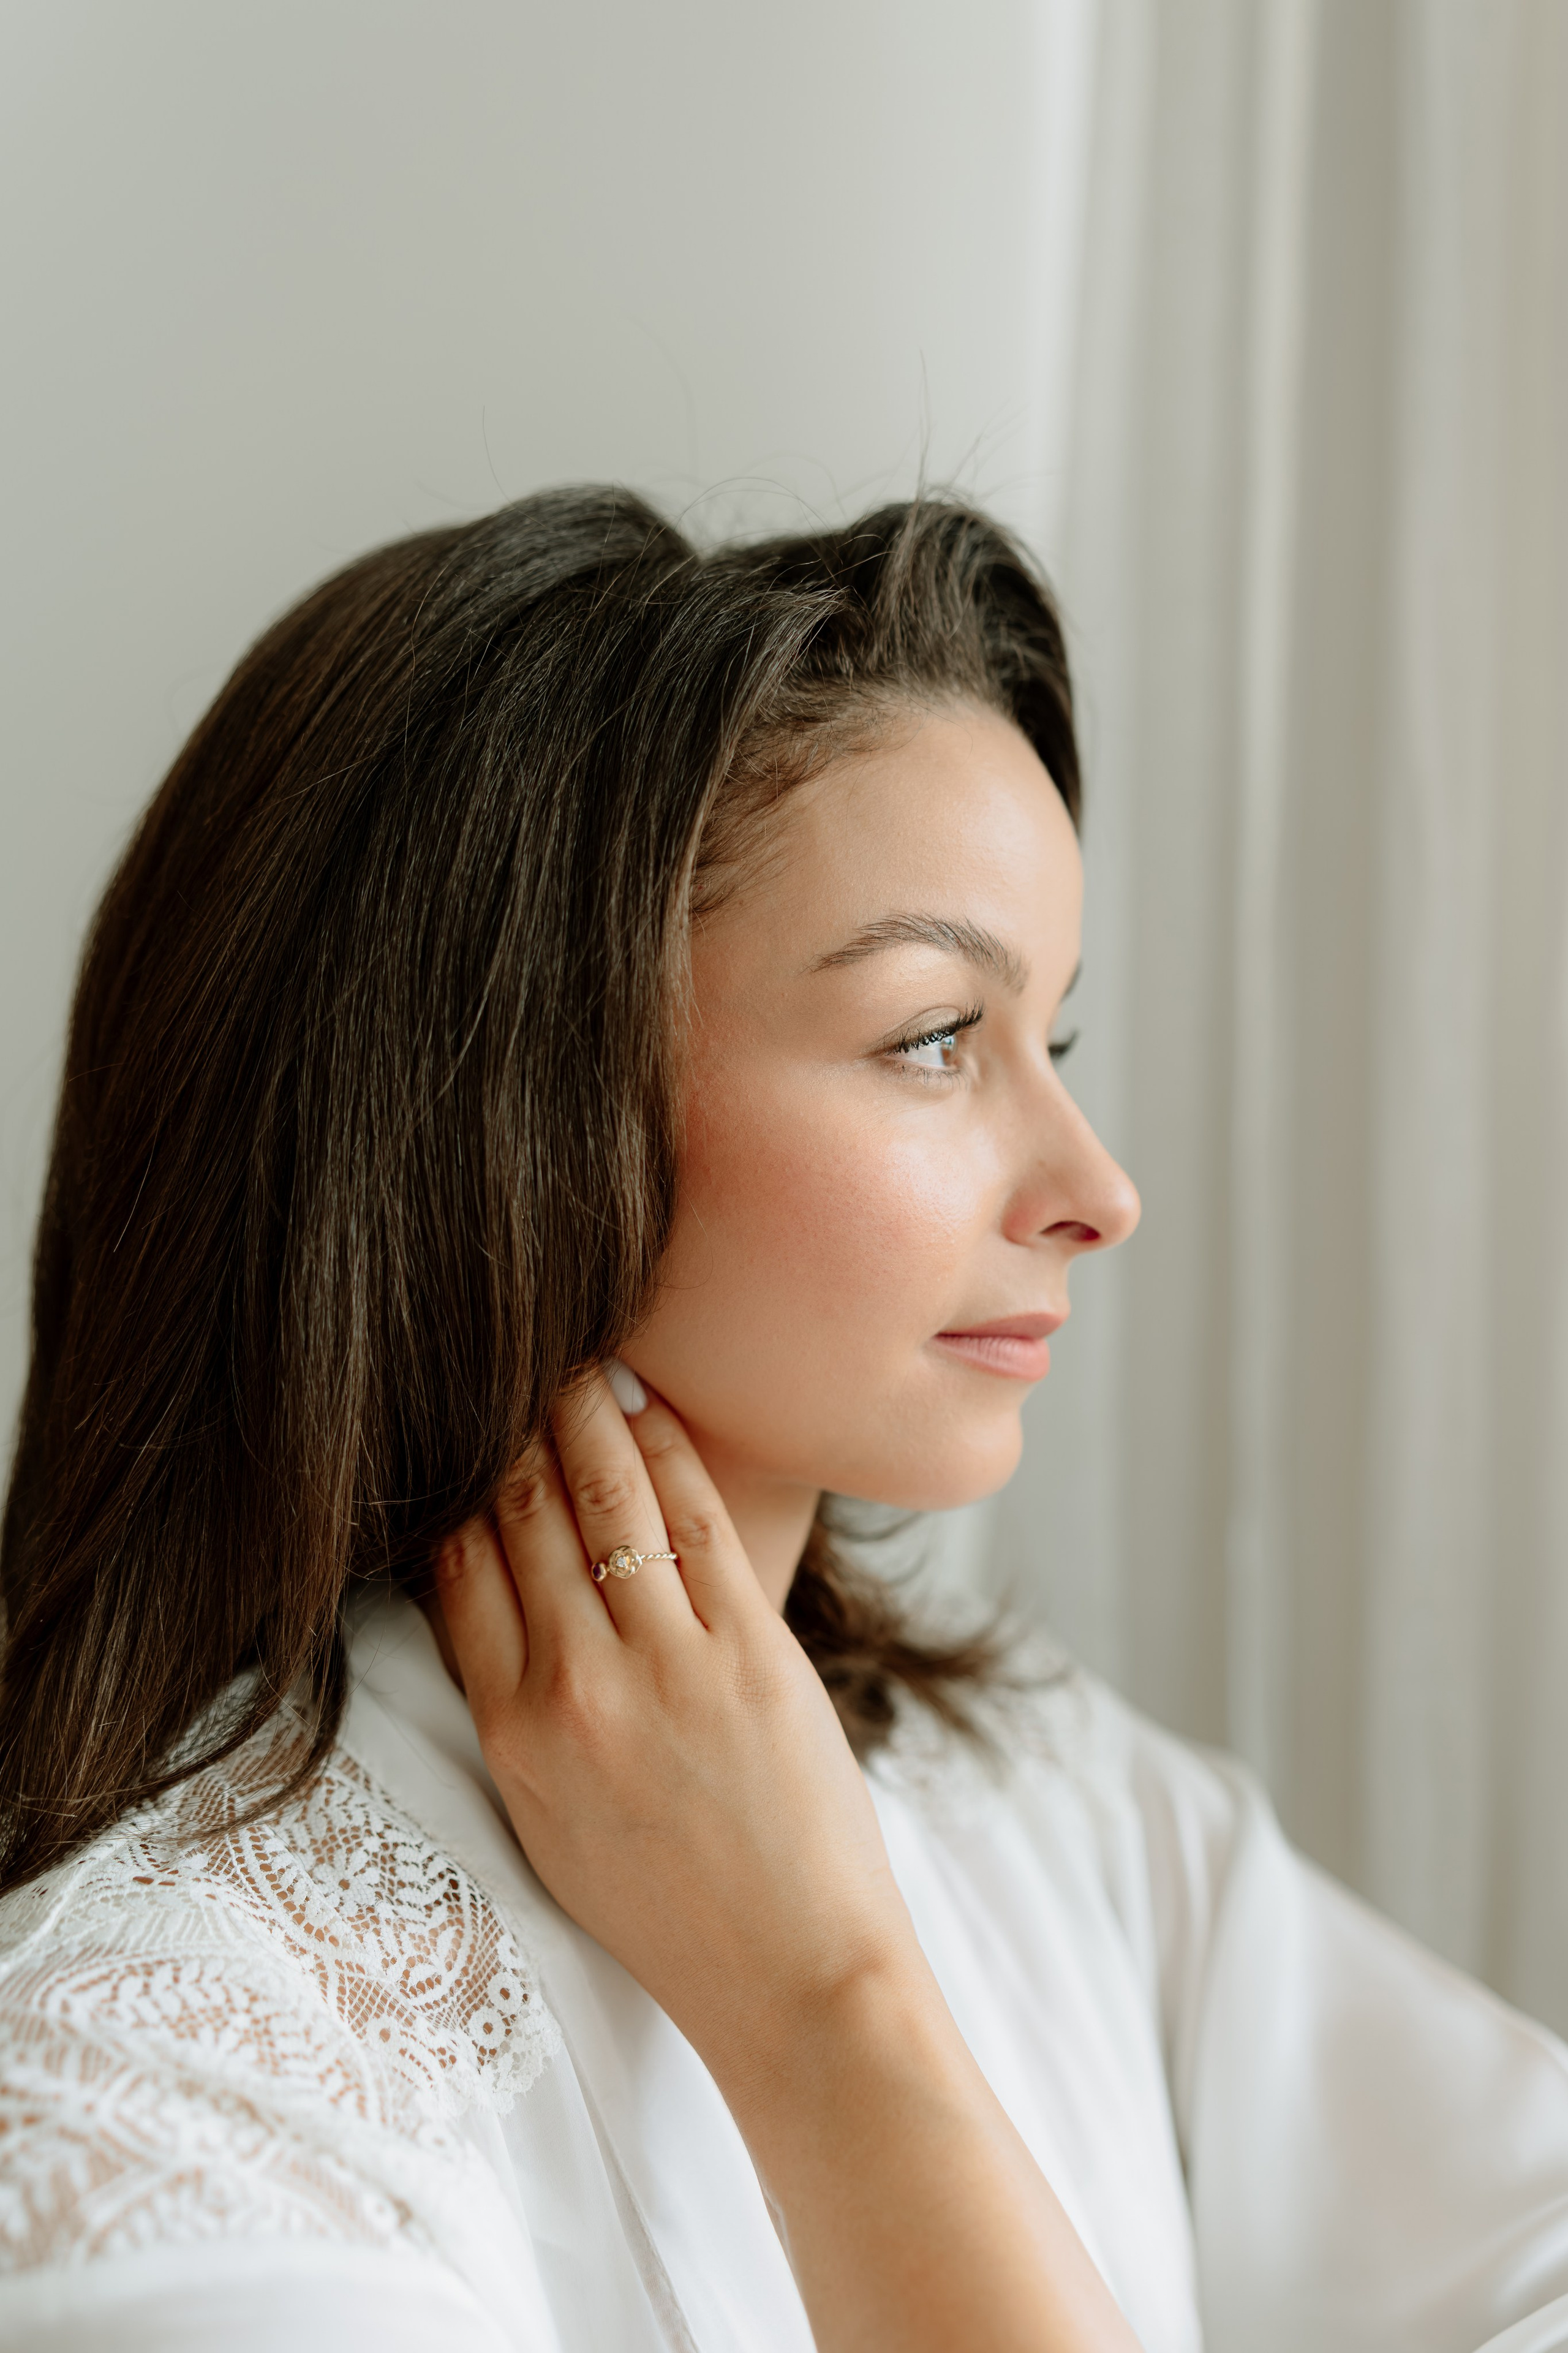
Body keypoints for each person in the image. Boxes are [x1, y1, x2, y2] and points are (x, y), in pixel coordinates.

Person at [1, 491, 1565, 2353]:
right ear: (512, 1114)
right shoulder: (156, 2080)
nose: (1097, 1188)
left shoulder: (1048, 1799)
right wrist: (828, 2014)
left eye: (1048, 1041)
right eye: (932, 1037)